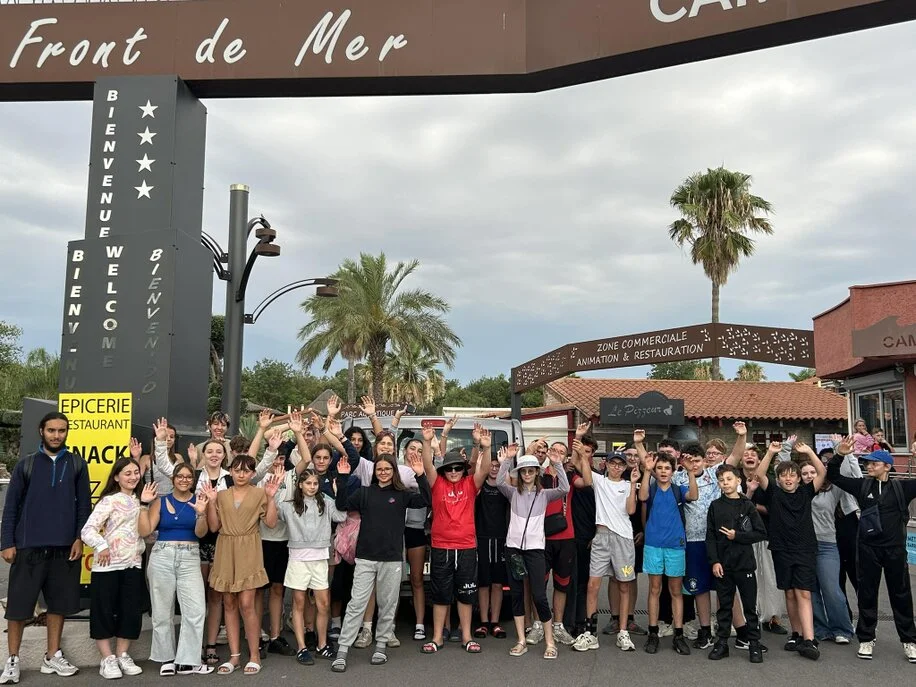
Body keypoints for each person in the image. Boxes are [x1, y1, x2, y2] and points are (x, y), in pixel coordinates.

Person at [1, 411, 90, 684]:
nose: (56, 435)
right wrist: (7, 543)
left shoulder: (77, 464)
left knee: (58, 606)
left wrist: (79, 538)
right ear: (41, 431)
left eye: (61, 430)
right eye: (51, 430)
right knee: (18, 608)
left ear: (67, 432)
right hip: (28, 547)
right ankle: (12, 660)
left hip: (65, 548)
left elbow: (84, 506)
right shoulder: (26, 465)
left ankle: (52, 656)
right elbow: (11, 506)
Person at [330, 451, 430, 672]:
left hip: (391, 559)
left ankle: (381, 646)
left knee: (388, 604)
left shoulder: (402, 494)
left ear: (394, 471)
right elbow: (342, 504)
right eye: (379, 469)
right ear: (375, 472)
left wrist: (421, 475)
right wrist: (343, 477)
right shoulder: (365, 492)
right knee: (356, 604)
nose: (383, 472)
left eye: (387, 469)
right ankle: (342, 650)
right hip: (365, 558)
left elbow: (426, 500)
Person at [827, 440, 916, 663]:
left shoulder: (902, 488)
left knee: (901, 595)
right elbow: (834, 476)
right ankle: (866, 638)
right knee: (867, 594)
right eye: (867, 463)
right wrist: (839, 455)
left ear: (887, 466)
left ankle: (909, 641)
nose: (869, 467)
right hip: (868, 549)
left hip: (895, 550)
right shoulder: (862, 486)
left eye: (874, 464)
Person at [199, 456, 284, 675]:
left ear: (253, 473)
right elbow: (214, 526)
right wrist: (211, 502)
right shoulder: (221, 495)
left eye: (246, 471)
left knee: (247, 603)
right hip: (226, 547)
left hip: (249, 548)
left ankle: (254, 655)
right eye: (237, 470)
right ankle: (235, 656)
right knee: (228, 602)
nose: (241, 474)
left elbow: (271, 523)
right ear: (230, 471)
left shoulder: (260, 493)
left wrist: (271, 498)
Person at [419, 424, 491, 654]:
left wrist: (486, 447)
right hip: (441, 547)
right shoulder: (437, 484)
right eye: (449, 468)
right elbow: (427, 465)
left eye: (457, 468)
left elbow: (484, 470)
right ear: (444, 470)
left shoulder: (470, 484)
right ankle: (437, 638)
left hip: (466, 547)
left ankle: (466, 637)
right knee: (441, 595)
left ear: (463, 469)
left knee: (466, 594)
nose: (453, 472)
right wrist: (426, 441)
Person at [672, 424, 745, 650]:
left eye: (698, 460)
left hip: (718, 539)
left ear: (704, 460)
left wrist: (742, 436)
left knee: (726, 586)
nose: (694, 464)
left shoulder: (715, 474)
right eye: (690, 461)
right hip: (693, 541)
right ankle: (705, 630)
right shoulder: (678, 479)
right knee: (699, 588)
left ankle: (742, 630)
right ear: (683, 461)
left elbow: (736, 456)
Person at [137, 459, 213, 675]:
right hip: (163, 554)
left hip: (190, 555)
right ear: (173, 479)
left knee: (196, 610)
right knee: (162, 611)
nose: (184, 480)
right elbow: (145, 531)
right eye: (180, 476)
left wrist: (201, 513)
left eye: (188, 477)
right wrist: (143, 504)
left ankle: (188, 660)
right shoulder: (160, 502)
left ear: (193, 480)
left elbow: (200, 533)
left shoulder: (200, 500)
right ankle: (166, 659)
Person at [754, 440, 825, 660]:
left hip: (804, 548)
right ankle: (796, 634)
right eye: (784, 475)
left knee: (803, 591)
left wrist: (808, 451)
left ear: (799, 478)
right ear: (779, 478)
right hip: (781, 548)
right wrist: (770, 453)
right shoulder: (774, 493)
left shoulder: (806, 492)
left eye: (792, 475)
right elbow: (759, 474)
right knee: (790, 592)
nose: (788, 479)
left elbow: (822, 472)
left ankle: (809, 639)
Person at [495, 451, 569, 660]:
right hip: (513, 549)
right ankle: (521, 640)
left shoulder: (544, 494)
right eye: (523, 471)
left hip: (536, 550)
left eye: (530, 471)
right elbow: (499, 482)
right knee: (517, 594)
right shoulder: (512, 493)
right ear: (519, 474)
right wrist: (506, 461)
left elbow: (564, 488)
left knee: (539, 595)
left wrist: (557, 464)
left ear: (537, 473)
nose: (527, 474)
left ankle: (550, 642)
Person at [80, 456, 148, 679]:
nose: (133, 477)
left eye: (135, 473)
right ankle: (107, 658)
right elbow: (88, 530)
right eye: (127, 473)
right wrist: (101, 546)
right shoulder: (109, 500)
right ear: (117, 477)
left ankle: (122, 655)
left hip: (133, 564)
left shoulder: (142, 500)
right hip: (107, 566)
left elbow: (145, 530)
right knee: (104, 611)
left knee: (130, 611)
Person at [571, 446, 638, 653]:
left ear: (624, 467)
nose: (616, 467)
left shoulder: (627, 485)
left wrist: (633, 484)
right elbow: (581, 470)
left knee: (624, 585)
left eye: (620, 464)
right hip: (601, 537)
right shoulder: (599, 481)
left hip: (623, 539)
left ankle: (623, 631)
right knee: (593, 585)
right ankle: (591, 633)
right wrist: (582, 452)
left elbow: (631, 510)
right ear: (607, 464)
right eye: (613, 463)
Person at [278, 470, 347, 664]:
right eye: (308, 483)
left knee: (323, 603)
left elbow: (342, 516)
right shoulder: (289, 505)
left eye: (315, 483)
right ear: (300, 485)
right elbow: (274, 513)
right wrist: (276, 490)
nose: (312, 487)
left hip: (320, 558)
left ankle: (322, 645)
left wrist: (339, 492)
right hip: (298, 559)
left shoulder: (326, 501)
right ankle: (301, 647)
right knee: (299, 603)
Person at [637, 445, 698, 655]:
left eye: (667, 468)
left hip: (675, 545)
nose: (663, 471)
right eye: (660, 468)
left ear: (673, 471)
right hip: (654, 544)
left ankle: (678, 634)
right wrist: (647, 470)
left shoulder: (678, 489)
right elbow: (642, 497)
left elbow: (694, 496)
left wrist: (690, 471)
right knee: (654, 589)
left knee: (676, 591)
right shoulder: (652, 488)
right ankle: (653, 632)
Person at [705, 464, 767, 663]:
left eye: (729, 479)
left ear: (738, 481)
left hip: (744, 564)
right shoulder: (715, 506)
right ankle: (722, 643)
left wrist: (737, 536)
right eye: (721, 480)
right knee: (724, 606)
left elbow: (760, 533)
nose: (725, 483)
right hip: (724, 565)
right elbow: (710, 537)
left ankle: (754, 643)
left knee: (749, 606)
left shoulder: (747, 505)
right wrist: (715, 561)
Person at [797, 460, 856, 644]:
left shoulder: (831, 491)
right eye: (805, 473)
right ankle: (821, 628)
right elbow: (782, 469)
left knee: (831, 589)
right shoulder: (797, 493)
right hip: (803, 547)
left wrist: (843, 453)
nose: (809, 476)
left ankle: (842, 629)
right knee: (811, 591)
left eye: (812, 472)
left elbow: (845, 472)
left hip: (826, 545)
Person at [473, 444, 513, 640]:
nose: (495, 468)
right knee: (483, 583)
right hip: (482, 539)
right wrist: (480, 464)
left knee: (497, 584)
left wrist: (506, 462)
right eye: (492, 465)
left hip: (501, 539)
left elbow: (508, 484)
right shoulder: (480, 487)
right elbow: (475, 478)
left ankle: (495, 622)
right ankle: (483, 623)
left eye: (498, 466)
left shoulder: (504, 488)